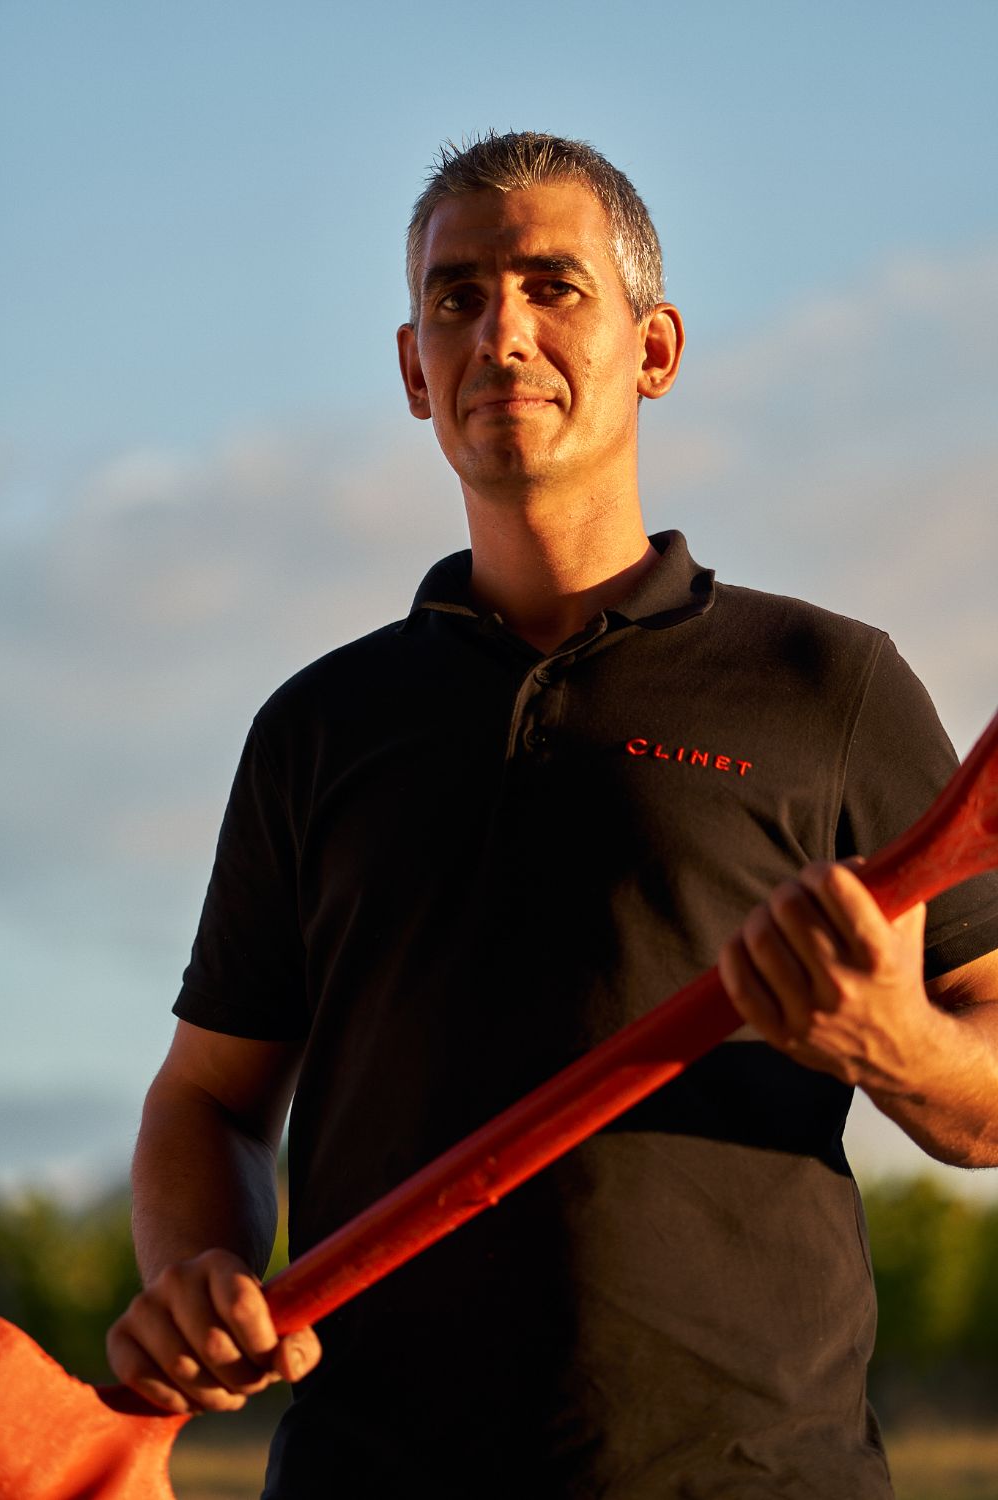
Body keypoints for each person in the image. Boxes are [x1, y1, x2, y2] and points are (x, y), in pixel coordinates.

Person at [107, 132, 998, 1498]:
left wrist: (895, 1042)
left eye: (552, 286)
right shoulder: (321, 726)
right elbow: (210, 1100)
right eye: (456, 297)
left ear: (657, 349)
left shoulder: (827, 685)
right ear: (414, 369)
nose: (500, 332)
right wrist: (196, 1272)